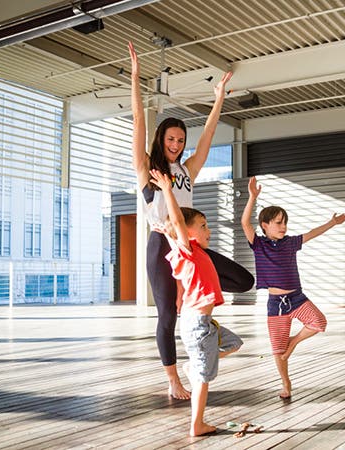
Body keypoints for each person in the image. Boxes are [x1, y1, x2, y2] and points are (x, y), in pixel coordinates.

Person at [129, 41, 254, 400]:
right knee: (166, 314)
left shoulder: (186, 170)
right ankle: (173, 379)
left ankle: (203, 322)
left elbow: (211, 135)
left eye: (181, 140)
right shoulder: (147, 169)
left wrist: (219, 98)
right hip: (162, 245)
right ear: (161, 139)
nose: (177, 144)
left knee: (243, 280)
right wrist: (137, 78)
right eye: (171, 138)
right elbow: (138, 121)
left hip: (192, 246)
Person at [151, 168, 242, 437]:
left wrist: (165, 229)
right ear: (188, 234)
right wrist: (168, 190)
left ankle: (194, 365)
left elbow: (174, 228)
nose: (209, 230)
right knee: (204, 380)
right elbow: (178, 223)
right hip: (198, 325)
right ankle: (197, 424)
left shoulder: (194, 251)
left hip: (205, 323)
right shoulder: (188, 251)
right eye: (203, 226)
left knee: (235, 343)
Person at [241, 176, 345, 399]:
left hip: (297, 298)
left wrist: (332, 223)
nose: (283, 226)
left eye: (285, 222)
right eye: (278, 222)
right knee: (278, 351)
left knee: (319, 322)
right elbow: (244, 223)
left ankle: (293, 343)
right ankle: (286, 384)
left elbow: (312, 233)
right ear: (265, 226)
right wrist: (252, 197)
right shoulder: (258, 244)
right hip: (276, 305)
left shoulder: (290, 242)